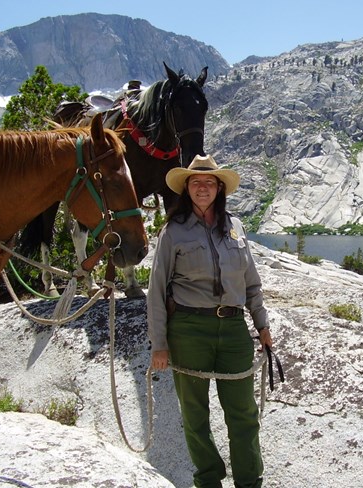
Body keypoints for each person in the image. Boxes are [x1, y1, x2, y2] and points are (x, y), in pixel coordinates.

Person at [147, 154, 273, 488]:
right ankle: (209, 481)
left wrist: (262, 325)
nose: (202, 188)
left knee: (243, 413)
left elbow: (251, 283)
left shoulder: (236, 227)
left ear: (219, 188)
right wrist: (159, 344)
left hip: (233, 330)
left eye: (209, 183)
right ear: (186, 188)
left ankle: (249, 482)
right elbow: (157, 290)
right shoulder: (173, 231)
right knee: (195, 416)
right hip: (189, 330)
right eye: (196, 182)